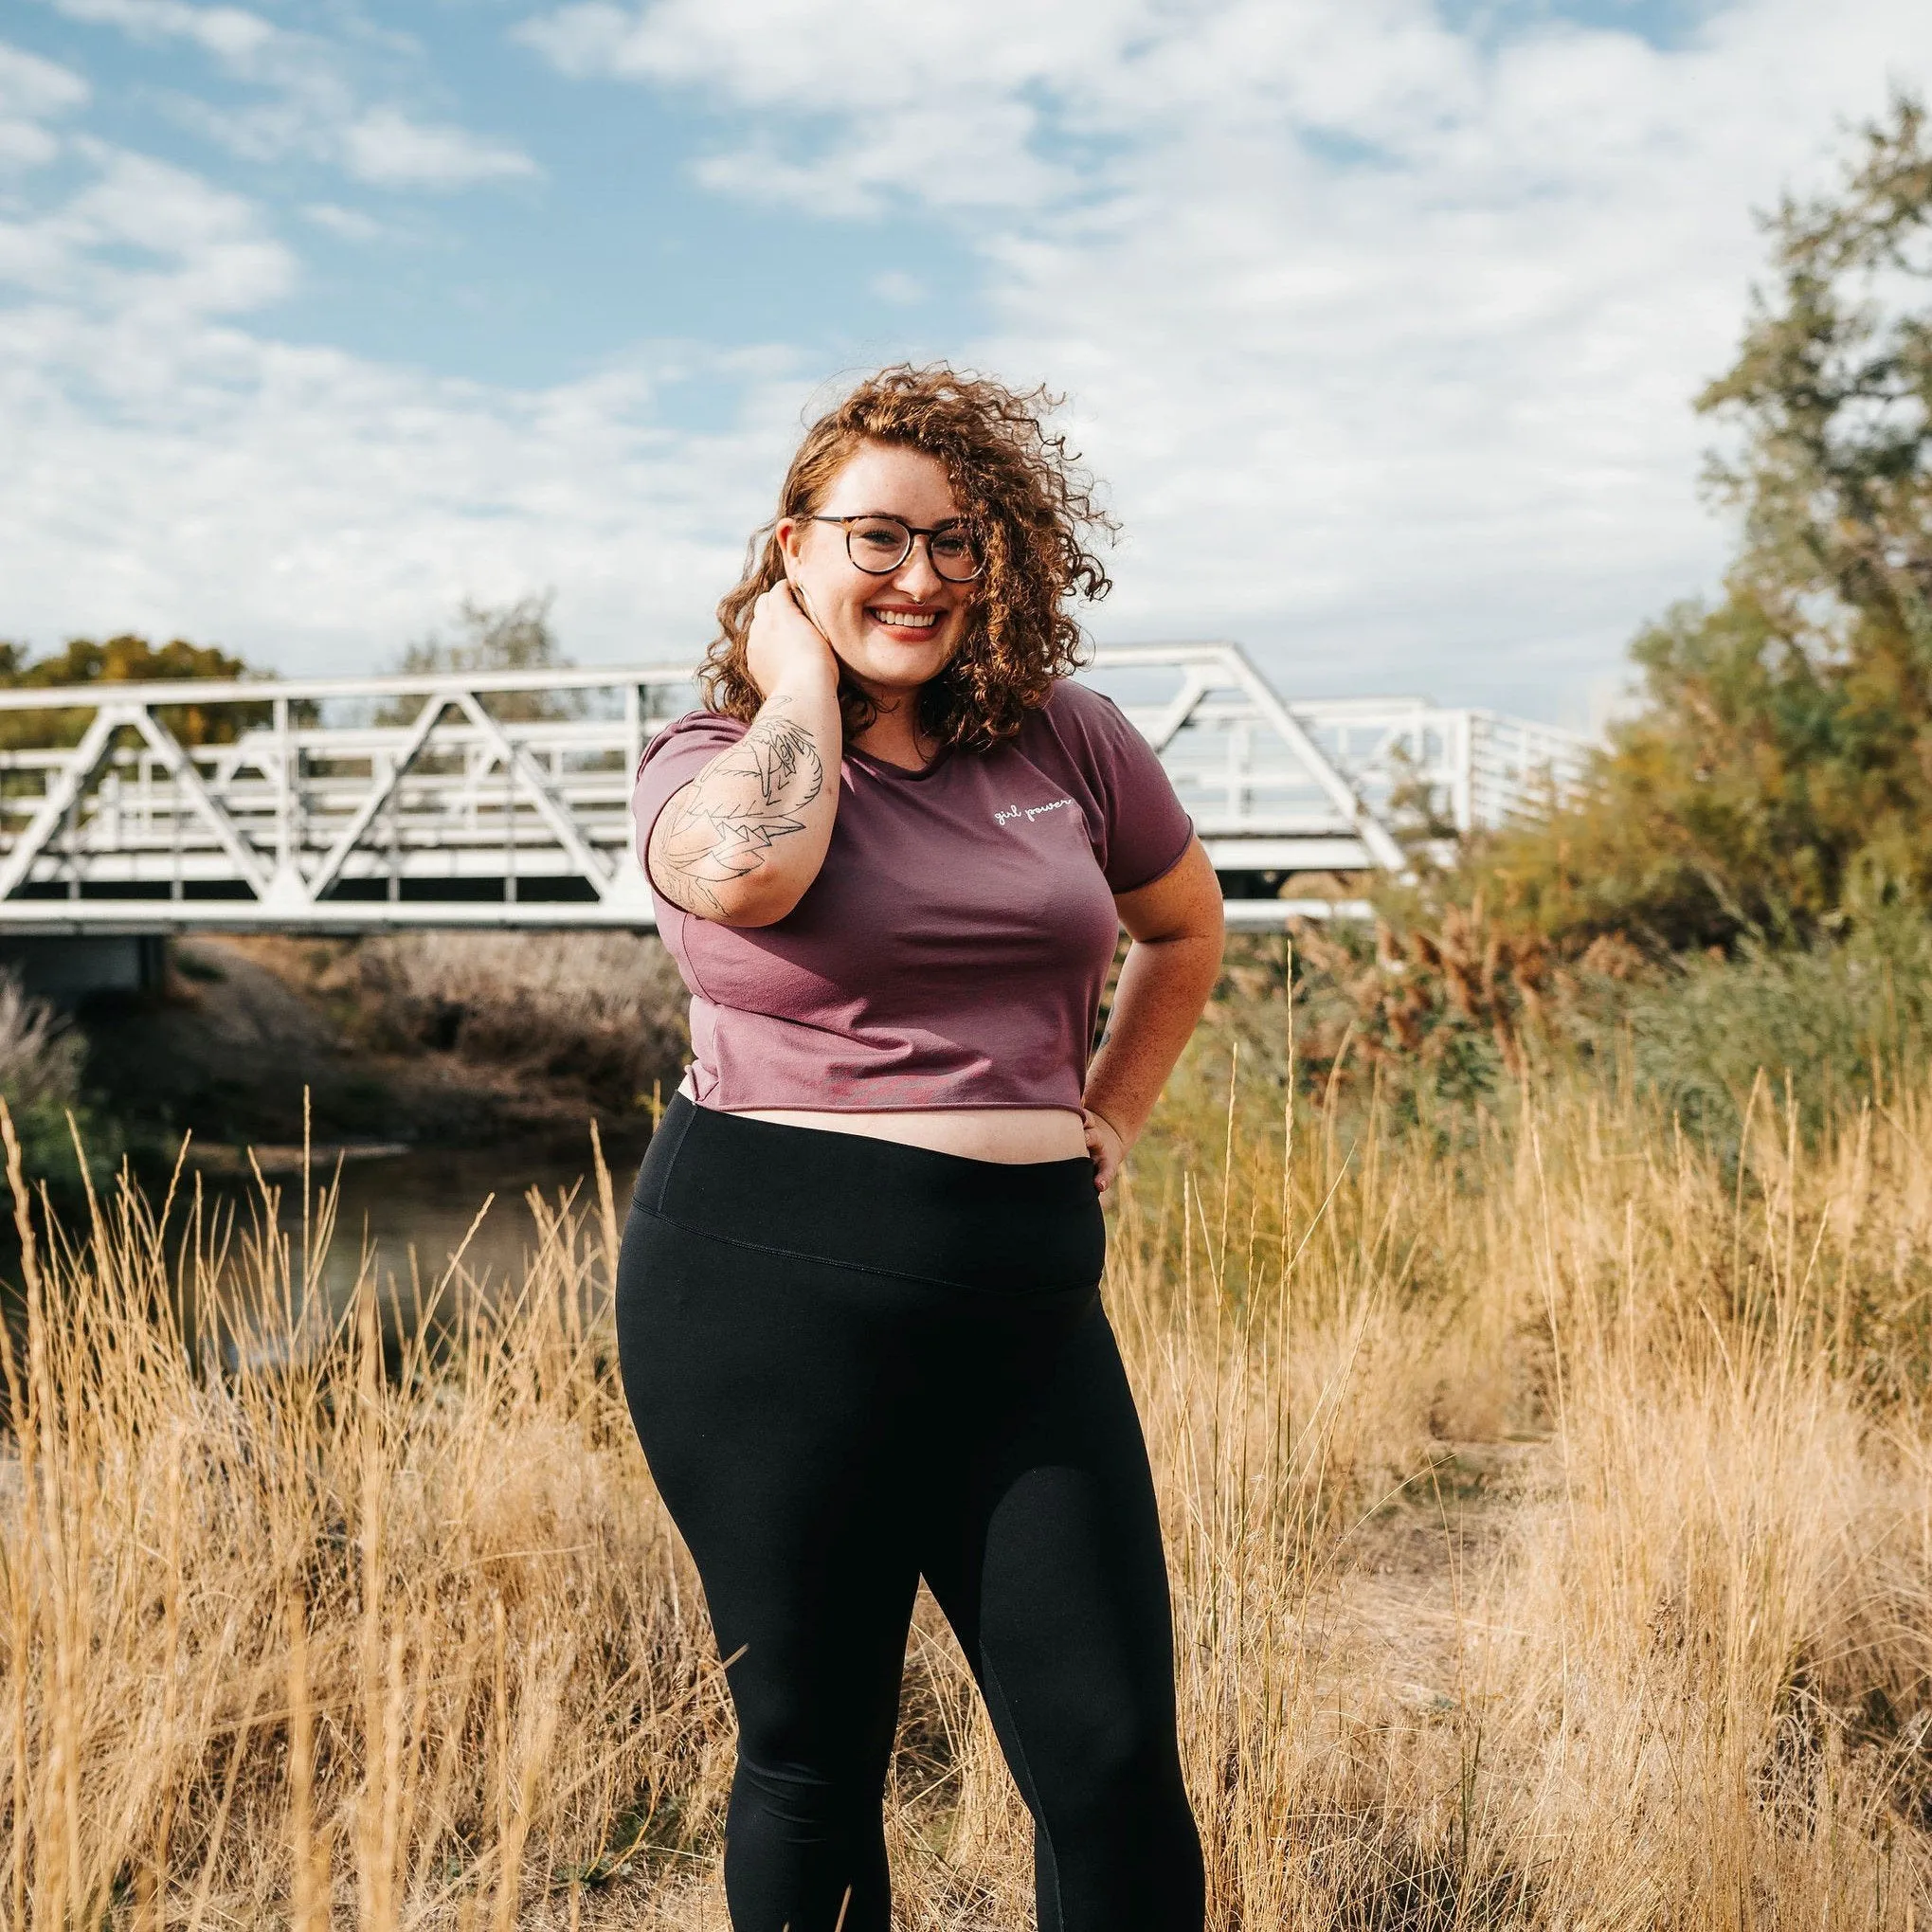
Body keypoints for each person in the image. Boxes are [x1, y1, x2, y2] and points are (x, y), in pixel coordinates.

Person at [617, 363, 1224, 1932]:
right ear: (789, 548)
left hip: (1026, 1308)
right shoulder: (705, 755)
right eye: (878, 537)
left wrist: (1114, 1107)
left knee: (1109, 1766)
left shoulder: (1067, 742)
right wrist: (800, 687)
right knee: (815, 1755)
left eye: (962, 543)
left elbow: (1183, 928)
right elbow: (747, 881)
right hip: (761, 1298)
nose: (924, 574)